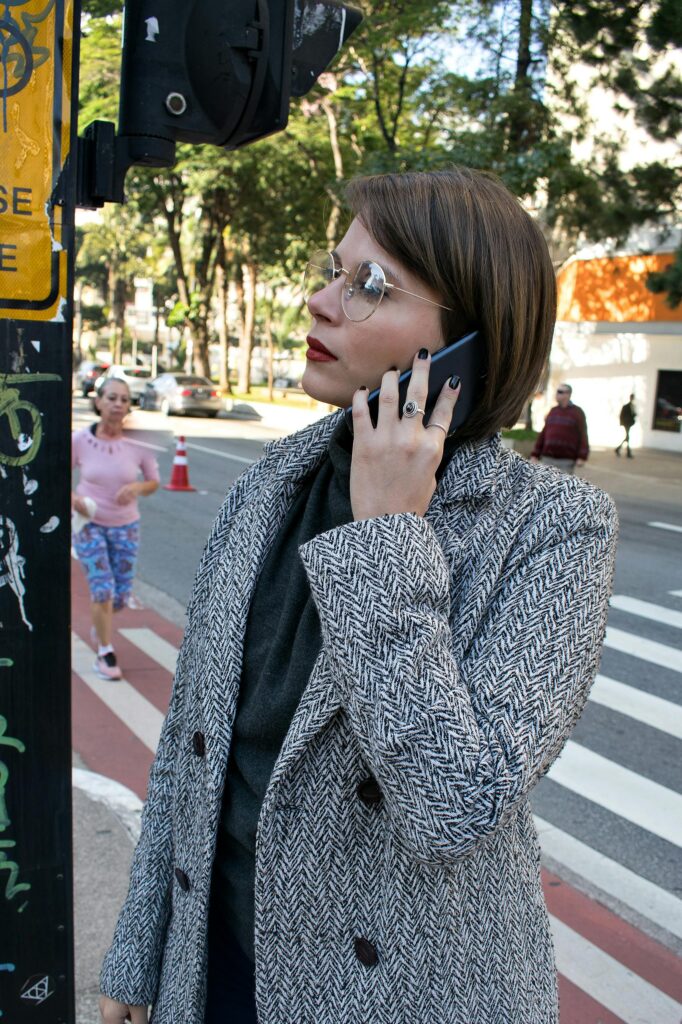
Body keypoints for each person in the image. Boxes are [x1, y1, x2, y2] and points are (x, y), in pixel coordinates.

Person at [99, 168, 617, 1024]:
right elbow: (194, 746)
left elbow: (455, 807)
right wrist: (138, 949)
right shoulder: (275, 480)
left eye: (370, 285)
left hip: (395, 996)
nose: (320, 301)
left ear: (469, 343)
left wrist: (387, 542)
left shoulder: (554, 529)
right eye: (334, 270)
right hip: (223, 961)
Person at [72, 378, 160, 680]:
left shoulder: (138, 443)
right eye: (111, 398)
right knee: (103, 590)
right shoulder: (80, 440)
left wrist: (137, 486)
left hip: (126, 527)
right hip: (89, 525)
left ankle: (102, 629)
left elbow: (153, 482)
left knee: (119, 597)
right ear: (98, 402)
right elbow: (56, 477)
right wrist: (75, 499)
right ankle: (105, 652)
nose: (118, 404)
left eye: (124, 399)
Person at [529, 382, 589, 473]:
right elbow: (544, 433)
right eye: (557, 391)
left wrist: (582, 456)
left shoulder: (577, 412)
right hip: (547, 459)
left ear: (568, 394)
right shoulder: (553, 411)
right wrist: (535, 454)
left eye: (560, 392)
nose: (557, 394)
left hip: (566, 461)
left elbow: (583, 435)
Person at [615, 393, 636, 458]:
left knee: (627, 437)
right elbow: (622, 415)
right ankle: (627, 452)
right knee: (627, 437)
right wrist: (622, 423)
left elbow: (632, 415)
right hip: (626, 424)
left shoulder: (632, 406)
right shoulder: (626, 406)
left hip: (629, 424)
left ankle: (618, 449)